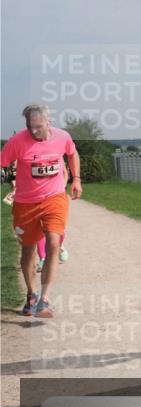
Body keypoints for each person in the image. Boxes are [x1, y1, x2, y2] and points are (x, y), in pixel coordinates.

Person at [0, 104, 82, 317]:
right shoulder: (17, 141)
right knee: (28, 250)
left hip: (54, 198)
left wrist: (76, 180)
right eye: (30, 126)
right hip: (25, 204)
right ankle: (32, 293)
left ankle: (44, 300)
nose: (34, 131)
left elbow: (72, 154)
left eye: (38, 126)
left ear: (48, 122)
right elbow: (2, 162)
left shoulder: (62, 137)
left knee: (53, 243)